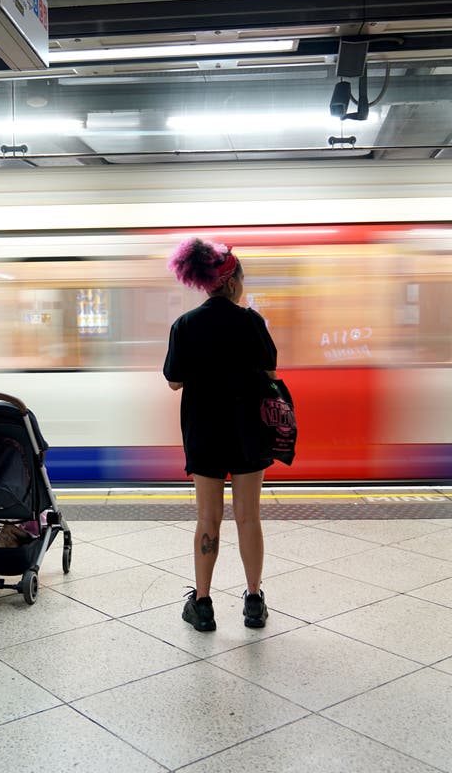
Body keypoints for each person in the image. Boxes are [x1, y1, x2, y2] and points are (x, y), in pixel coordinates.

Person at [163, 238, 277, 632]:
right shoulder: (252, 322)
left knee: (208, 518)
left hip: (204, 430)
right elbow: (271, 374)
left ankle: (204, 603)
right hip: (248, 430)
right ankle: (254, 601)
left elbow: (174, 381)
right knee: (249, 518)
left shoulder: (186, 324)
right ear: (231, 282)